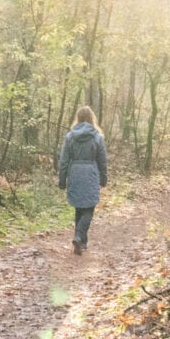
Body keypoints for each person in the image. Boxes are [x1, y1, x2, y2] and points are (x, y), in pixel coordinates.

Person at [57, 105, 108, 255]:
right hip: (91, 173)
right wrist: (103, 178)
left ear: (77, 118)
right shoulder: (97, 137)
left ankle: (80, 242)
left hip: (75, 173)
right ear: (92, 118)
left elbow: (64, 160)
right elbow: (102, 160)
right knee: (89, 208)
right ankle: (79, 237)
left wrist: (62, 179)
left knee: (79, 207)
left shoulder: (70, 137)